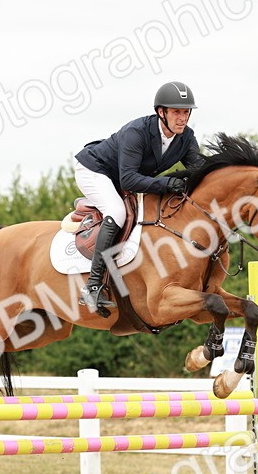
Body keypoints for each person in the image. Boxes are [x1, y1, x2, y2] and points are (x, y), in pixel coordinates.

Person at [73, 81, 206, 313]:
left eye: (186, 112)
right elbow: (128, 180)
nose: (182, 118)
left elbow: (201, 170)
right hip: (95, 170)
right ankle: (93, 286)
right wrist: (167, 183)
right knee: (117, 211)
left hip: (122, 176)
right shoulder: (136, 133)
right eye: (176, 112)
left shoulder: (186, 137)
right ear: (161, 112)